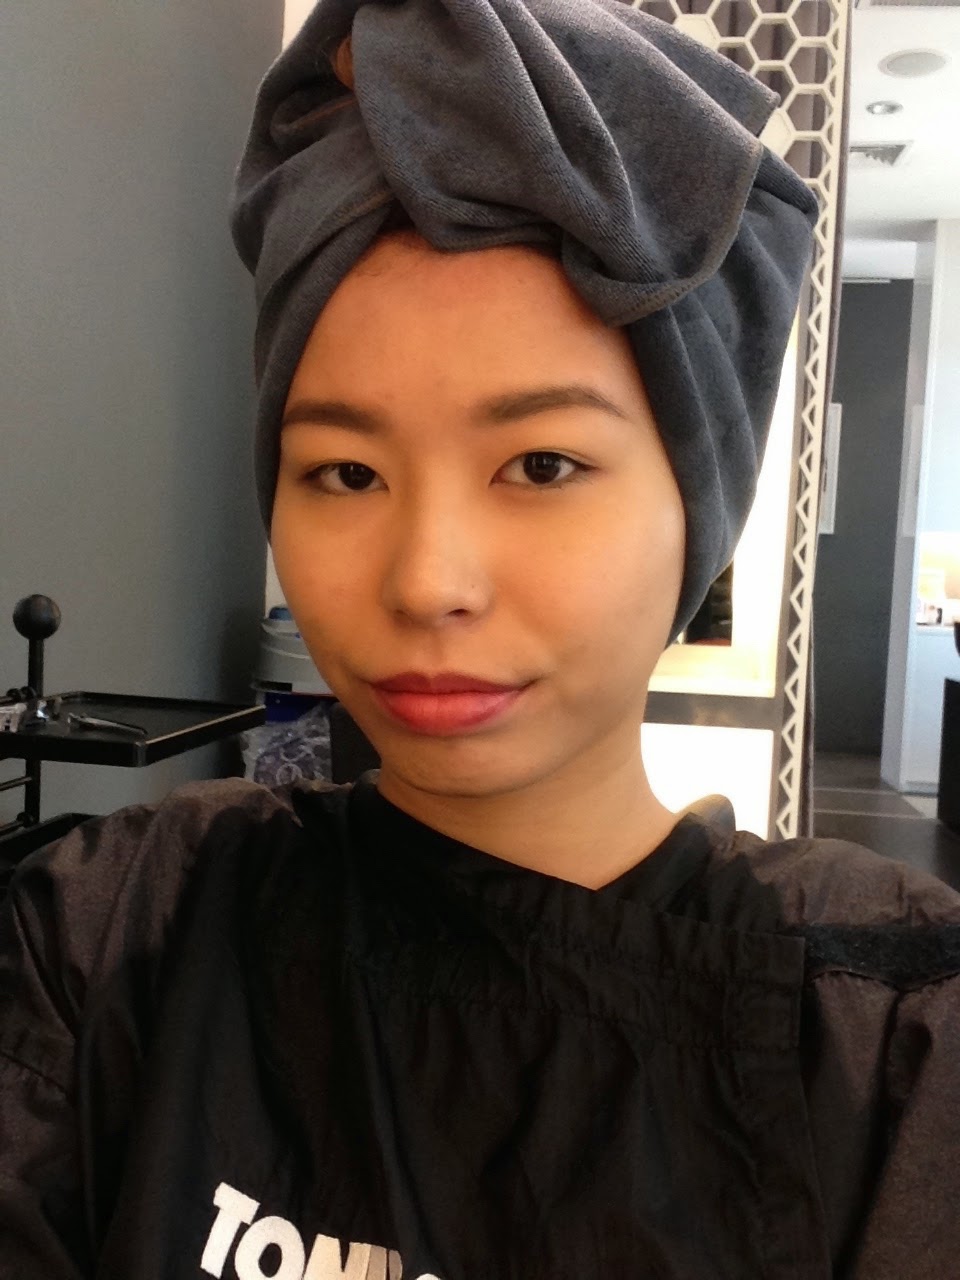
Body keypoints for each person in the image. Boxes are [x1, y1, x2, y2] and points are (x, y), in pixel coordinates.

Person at [2, 1, 959, 1277]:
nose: (426, 581)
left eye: (542, 463)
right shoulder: (115, 929)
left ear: (700, 508)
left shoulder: (890, 1025)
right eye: (345, 472)